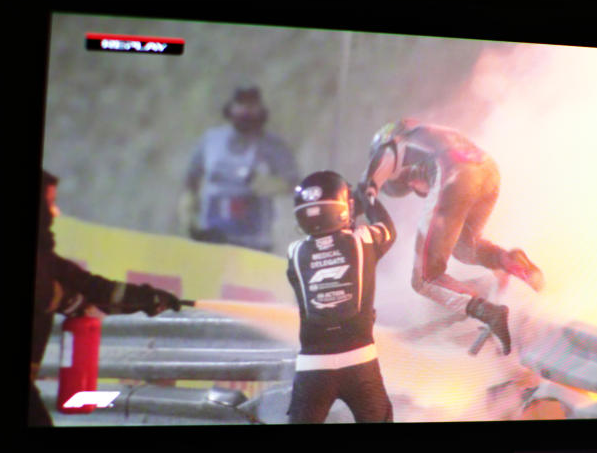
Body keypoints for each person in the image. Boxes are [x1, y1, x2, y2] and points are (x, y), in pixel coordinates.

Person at [361, 119, 543, 355]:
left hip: (452, 174)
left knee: (424, 278)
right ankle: (508, 261)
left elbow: (406, 181)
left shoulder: (396, 150)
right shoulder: (430, 133)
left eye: (410, 185)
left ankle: (488, 313)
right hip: (487, 170)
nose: (414, 189)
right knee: (465, 245)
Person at [30, 170, 183, 426]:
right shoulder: (42, 265)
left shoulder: (47, 260)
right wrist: (71, 301)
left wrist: (146, 298)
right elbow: (45, 290)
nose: (55, 213)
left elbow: (94, 290)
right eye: (49, 204)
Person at [285, 170, 396, 423]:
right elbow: (388, 229)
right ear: (343, 208)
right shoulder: (364, 240)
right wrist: (369, 198)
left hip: (312, 367)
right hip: (361, 361)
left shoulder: (294, 252)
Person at [179, 85, 300, 252]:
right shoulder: (211, 141)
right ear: (231, 108)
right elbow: (191, 180)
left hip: (254, 240)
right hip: (213, 236)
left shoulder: (272, 145)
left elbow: (294, 183)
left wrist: (270, 185)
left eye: (251, 106)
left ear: (260, 110)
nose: (246, 112)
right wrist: (189, 216)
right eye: (241, 105)